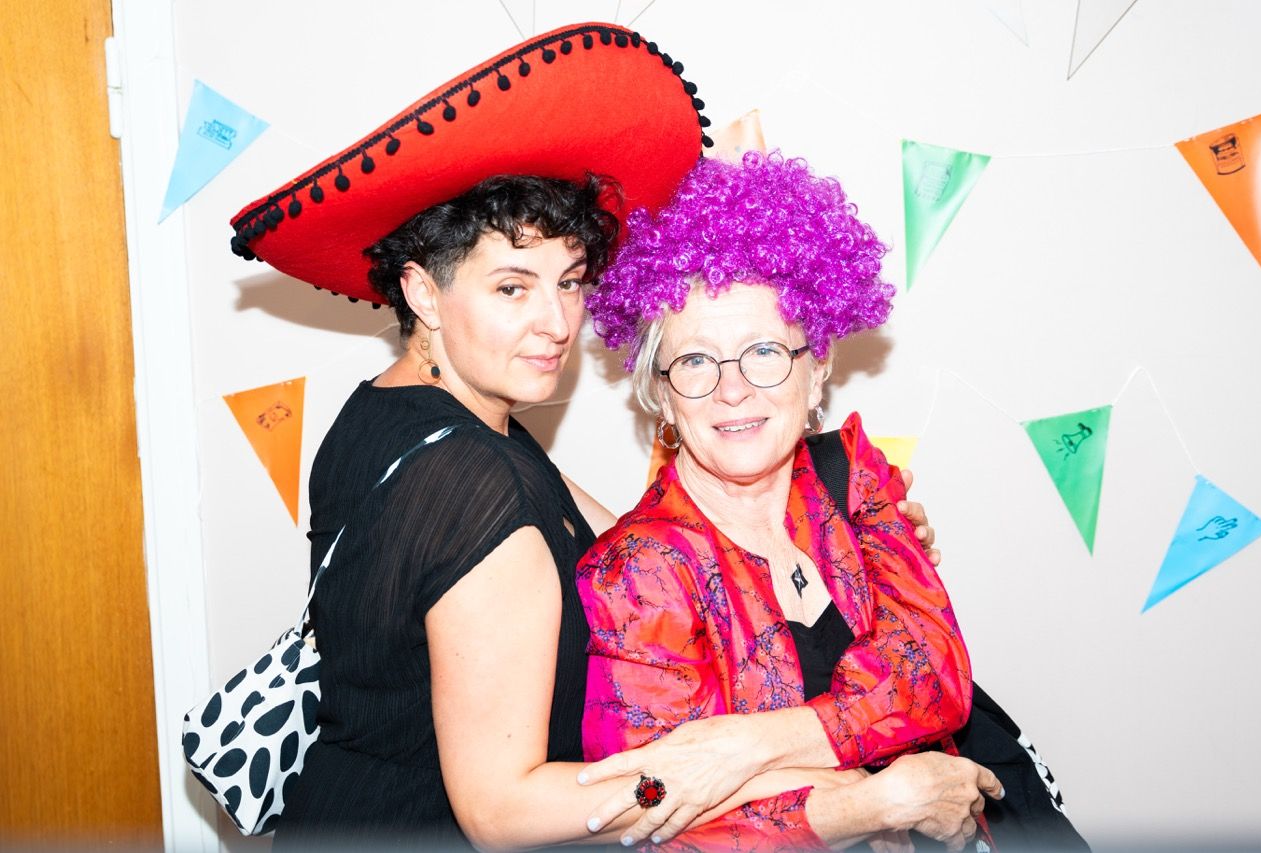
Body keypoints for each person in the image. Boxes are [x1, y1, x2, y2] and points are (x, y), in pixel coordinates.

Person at [225, 22, 986, 852]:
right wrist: (803, 785)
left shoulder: (411, 419)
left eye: (570, 281)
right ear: (422, 291)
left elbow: (611, 534)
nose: (557, 323)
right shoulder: (468, 485)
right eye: (512, 287)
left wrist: (854, 537)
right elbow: (501, 812)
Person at [574, 151, 1032, 851]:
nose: (733, 390)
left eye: (764, 352)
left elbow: (935, 680)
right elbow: (646, 803)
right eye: (695, 361)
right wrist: (871, 804)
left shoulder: (851, 473)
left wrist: (748, 745)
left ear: (816, 369)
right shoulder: (638, 570)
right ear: (661, 392)